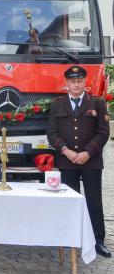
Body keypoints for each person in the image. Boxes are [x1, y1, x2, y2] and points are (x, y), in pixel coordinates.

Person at [47, 65, 111, 258]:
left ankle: (98, 239)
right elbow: (52, 133)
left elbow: (103, 132)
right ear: (67, 84)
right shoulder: (57, 104)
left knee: (94, 198)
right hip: (67, 160)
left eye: (79, 81)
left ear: (85, 82)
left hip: (91, 160)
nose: (76, 84)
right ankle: (69, 236)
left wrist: (88, 152)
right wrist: (65, 150)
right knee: (69, 200)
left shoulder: (97, 104)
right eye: (72, 81)